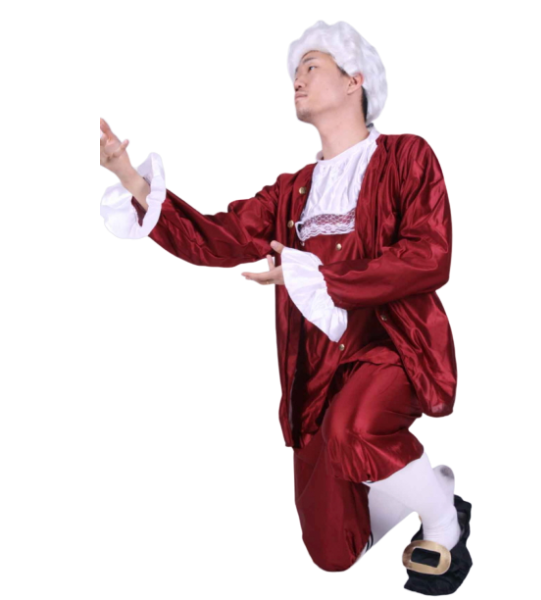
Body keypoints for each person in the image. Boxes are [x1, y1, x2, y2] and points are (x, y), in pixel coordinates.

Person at [100, 19, 472, 594]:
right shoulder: (291, 190)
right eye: (294, 71)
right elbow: (215, 240)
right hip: (313, 372)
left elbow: (430, 257)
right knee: (332, 553)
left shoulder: (407, 154)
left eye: (311, 67)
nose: (296, 79)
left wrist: (318, 274)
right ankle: (426, 481)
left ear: (354, 80)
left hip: (393, 343)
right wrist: (131, 179)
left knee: (356, 428)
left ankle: (443, 522)